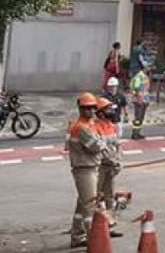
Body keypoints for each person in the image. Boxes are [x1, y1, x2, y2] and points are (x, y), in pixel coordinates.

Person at [66, 93, 106, 248]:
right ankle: (93, 239)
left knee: (82, 205)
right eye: (86, 108)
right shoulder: (81, 127)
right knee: (90, 205)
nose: (90, 111)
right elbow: (96, 146)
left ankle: (77, 236)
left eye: (92, 108)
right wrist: (102, 143)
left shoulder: (89, 124)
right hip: (85, 168)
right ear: (80, 109)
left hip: (89, 167)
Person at [92, 97, 123, 237]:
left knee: (109, 197)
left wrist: (118, 161)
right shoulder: (95, 127)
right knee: (95, 197)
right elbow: (99, 149)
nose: (111, 111)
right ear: (100, 112)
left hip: (111, 166)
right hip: (100, 167)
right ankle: (93, 227)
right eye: (108, 109)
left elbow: (117, 145)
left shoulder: (110, 125)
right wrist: (112, 160)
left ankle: (109, 225)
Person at [128, 66, 151, 140]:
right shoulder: (139, 76)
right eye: (148, 67)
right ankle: (135, 134)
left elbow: (145, 89)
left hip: (143, 99)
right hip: (139, 100)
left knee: (140, 118)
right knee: (138, 118)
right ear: (144, 68)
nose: (149, 68)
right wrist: (139, 98)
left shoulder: (144, 76)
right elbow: (137, 88)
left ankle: (137, 132)